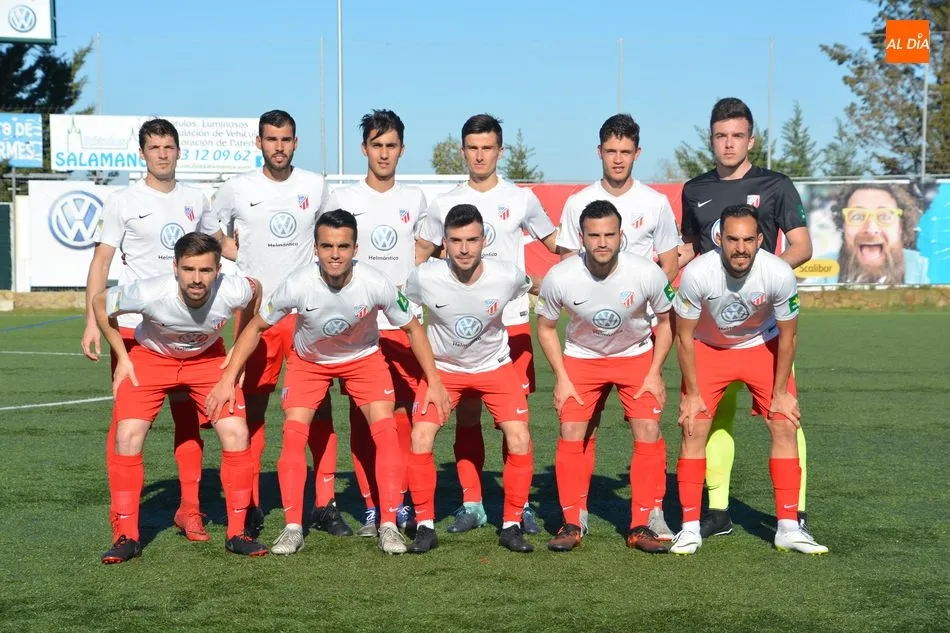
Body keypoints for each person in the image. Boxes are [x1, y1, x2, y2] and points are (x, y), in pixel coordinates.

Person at [206, 210, 450, 556]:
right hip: (310, 363)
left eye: (343, 246)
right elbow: (257, 326)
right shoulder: (296, 283)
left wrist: (435, 380)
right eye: (327, 246)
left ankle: (389, 525)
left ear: (355, 248)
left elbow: (412, 327)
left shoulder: (375, 282)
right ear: (315, 248)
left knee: (385, 432)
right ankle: (293, 527)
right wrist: (229, 378)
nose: (335, 254)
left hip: (363, 359)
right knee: (294, 434)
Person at [415, 114, 558, 535]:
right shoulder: (443, 203)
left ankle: (521, 504)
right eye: (473, 147)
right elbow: (421, 254)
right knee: (466, 416)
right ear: (463, 151)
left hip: (509, 325)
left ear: (500, 151)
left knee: (515, 421)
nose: (480, 155)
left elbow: (556, 245)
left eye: (488, 147)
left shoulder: (521, 199)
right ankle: (472, 502)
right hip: (458, 332)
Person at [678, 97, 814, 539]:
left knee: (784, 413)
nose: (729, 143)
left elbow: (801, 246)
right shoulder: (694, 190)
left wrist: (763, 282)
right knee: (715, 418)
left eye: (737, 135)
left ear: (750, 139)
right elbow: (691, 249)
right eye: (721, 136)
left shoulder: (776, 185)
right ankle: (716, 510)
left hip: (761, 328)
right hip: (711, 329)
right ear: (711, 139)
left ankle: (796, 513)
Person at [93, 232, 267, 563]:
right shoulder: (149, 291)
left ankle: (237, 532)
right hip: (151, 358)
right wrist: (122, 356)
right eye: (188, 269)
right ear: (175, 267)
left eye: (205, 270)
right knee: (127, 435)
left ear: (219, 269)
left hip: (206, 360)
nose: (197, 279)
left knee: (236, 432)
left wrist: (236, 355)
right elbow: (100, 302)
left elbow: (255, 292)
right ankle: (127, 536)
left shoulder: (234, 288)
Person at [82, 118, 218, 543]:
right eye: (154, 147)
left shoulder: (197, 198)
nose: (162, 153)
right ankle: (123, 517)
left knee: (188, 421)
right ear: (142, 153)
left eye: (169, 146)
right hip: (134, 327)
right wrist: (91, 317)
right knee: (126, 421)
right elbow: (102, 262)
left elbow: (218, 254)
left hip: (190, 326)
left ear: (179, 151)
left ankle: (190, 510)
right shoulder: (122, 201)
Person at [210, 110, 339, 537]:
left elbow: (332, 233)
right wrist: (237, 255)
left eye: (285, 139)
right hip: (258, 313)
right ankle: (250, 504)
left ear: (295, 142)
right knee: (254, 409)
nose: (278, 147)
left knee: (319, 408)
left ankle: (324, 504)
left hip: (306, 314)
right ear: (259, 142)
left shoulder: (315, 186)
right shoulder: (237, 188)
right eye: (271, 139)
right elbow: (210, 230)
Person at [671, 204, 827, 556]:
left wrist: (781, 391)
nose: (740, 248)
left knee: (784, 423)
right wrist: (692, 393)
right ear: (719, 240)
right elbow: (683, 337)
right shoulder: (697, 274)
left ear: (760, 240)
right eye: (732, 239)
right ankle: (690, 527)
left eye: (747, 240)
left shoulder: (778, 273)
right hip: (709, 349)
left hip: (762, 345)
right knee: (693, 426)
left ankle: (788, 527)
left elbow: (789, 337)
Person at [554, 114, 681, 539]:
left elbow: (668, 260)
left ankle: (653, 512)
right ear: (600, 152)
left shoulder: (655, 203)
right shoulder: (578, 203)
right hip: (587, 342)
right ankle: (577, 514)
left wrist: (651, 298)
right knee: (580, 427)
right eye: (611, 151)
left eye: (626, 152)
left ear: (637, 154)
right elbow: (568, 269)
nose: (619, 159)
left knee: (647, 426)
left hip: (638, 339)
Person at [537, 200, 675, 553]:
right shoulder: (561, 276)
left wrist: (655, 373)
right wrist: (562, 377)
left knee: (648, 429)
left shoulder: (646, 272)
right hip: (582, 359)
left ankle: (642, 523)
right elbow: (547, 328)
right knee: (572, 431)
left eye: (609, 235)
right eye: (594, 235)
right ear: (581, 238)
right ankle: (572, 521)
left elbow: (665, 321)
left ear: (621, 236)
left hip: (635, 357)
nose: (602, 242)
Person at [404, 204, 535, 554]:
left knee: (519, 436)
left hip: (494, 366)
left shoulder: (507, 275)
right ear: (443, 243)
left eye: (472, 240)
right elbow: (407, 313)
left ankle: (511, 524)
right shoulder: (424, 277)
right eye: (456, 240)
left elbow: (533, 289)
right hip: (444, 370)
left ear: (484, 240)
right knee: (420, 435)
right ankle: (425, 525)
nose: (464, 248)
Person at [322, 109, 428, 537]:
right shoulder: (343, 199)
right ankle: (371, 507)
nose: (384, 153)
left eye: (391, 145)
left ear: (402, 149)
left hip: (400, 325)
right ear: (364, 148)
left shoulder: (416, 199)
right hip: (359, 328)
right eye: (376, 145)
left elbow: (423, 252)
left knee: (401, 418)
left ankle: (398, 502)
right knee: (363, 419)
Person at [832, 183, 929, 284]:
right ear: (843, 225)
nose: (871, 229)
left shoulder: (926, 269)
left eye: (884, 217)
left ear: (900, 226)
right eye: (857, 217)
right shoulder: (821, 267)